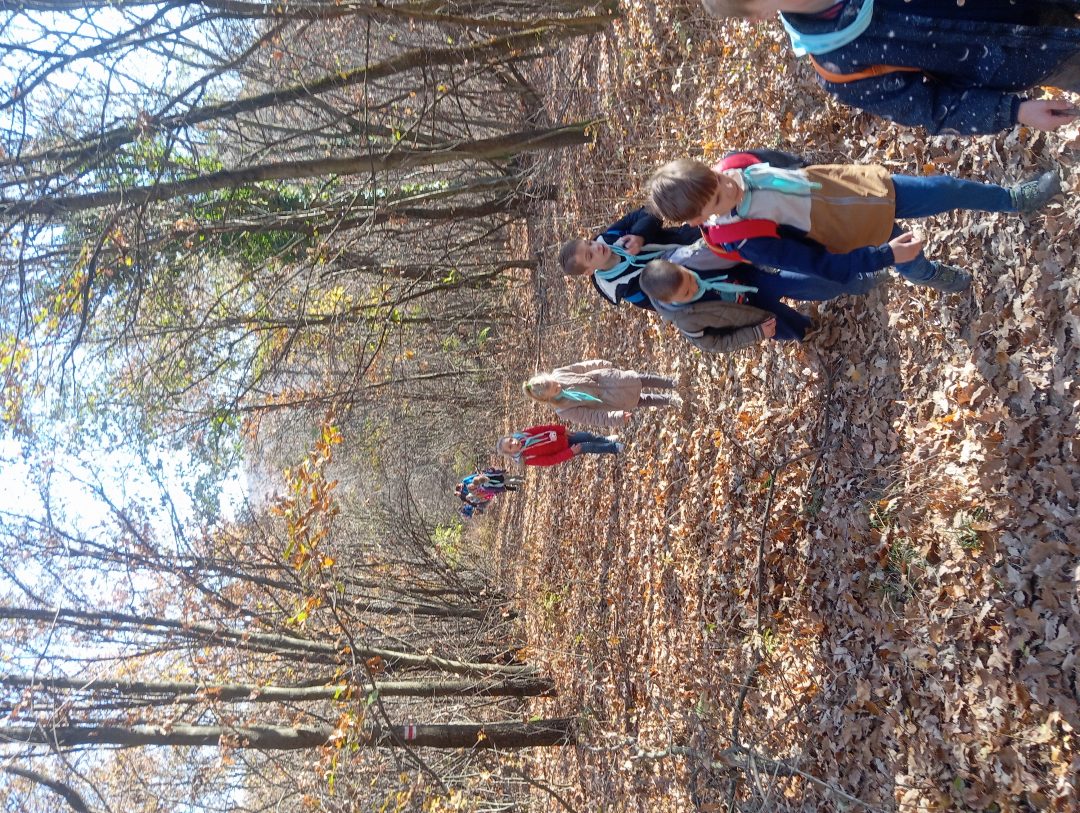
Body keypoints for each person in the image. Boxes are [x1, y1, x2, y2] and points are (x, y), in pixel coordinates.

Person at [647, 153, 1062, 292]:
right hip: (856, 229)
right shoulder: (744, 238)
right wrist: (884, 256)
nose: (729, 186)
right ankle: (931, 275)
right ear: (700, 219)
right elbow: (819, 265)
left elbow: (790, 163)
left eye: (718, 178)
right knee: (909, 256)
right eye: (719, 198)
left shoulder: (734, 165)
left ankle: (1013, 199)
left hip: (865, 188)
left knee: (946, 188)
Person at [699, 0, 1080, 135]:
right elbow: (932, 107)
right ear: (760, 15)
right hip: (1032, 56)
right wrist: (1015, 111)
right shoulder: (838, 63)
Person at [560, 151, 805, 309]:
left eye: (589, 243)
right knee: (770, 278)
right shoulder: (623, 289)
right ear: (589, 271)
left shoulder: (610, 237)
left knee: (755, 234)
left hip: (698, 237)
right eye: (590, 254)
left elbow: (648, 212)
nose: (597, 246)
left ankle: (797, 194)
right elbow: (669, 298)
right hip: (707, 278)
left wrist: (640, 236)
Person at [640, 258, 828, 353]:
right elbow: (714, 343)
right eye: (687, 293)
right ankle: (810, 329)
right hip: (752, 317)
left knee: (798, 282)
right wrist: (756, 333)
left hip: (753, 279)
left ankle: (831, 281)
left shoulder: (689, 259)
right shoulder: (687, 320)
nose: (695, 287)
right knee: (787, 325)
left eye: (690, 277)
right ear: (669, 301)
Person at [523, 360, 681, 428]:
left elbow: (583, 367)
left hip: (608, 379)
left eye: (554, 383)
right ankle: (670, 400)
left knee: (641, 379)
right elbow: (591, 417)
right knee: (641, 400)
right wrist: (616, 417)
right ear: (548, 398)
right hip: (609, 400)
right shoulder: (563, 409)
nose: (558, 385)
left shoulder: (559, 373)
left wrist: (603, 364)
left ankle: (672, 383)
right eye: (555, 389)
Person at [495, 424, 623, 467]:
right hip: (566, 449)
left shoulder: (524, 435)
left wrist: (562, 430)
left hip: (563, 437)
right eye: (510, 446)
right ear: (511, 453)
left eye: (511, 440)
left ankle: (604, 440)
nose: (514, 443)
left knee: (587, 436)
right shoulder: (527, 458)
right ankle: (614, 448)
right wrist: (570, 452)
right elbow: (550, 460)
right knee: (588, 446)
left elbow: (544, 428)